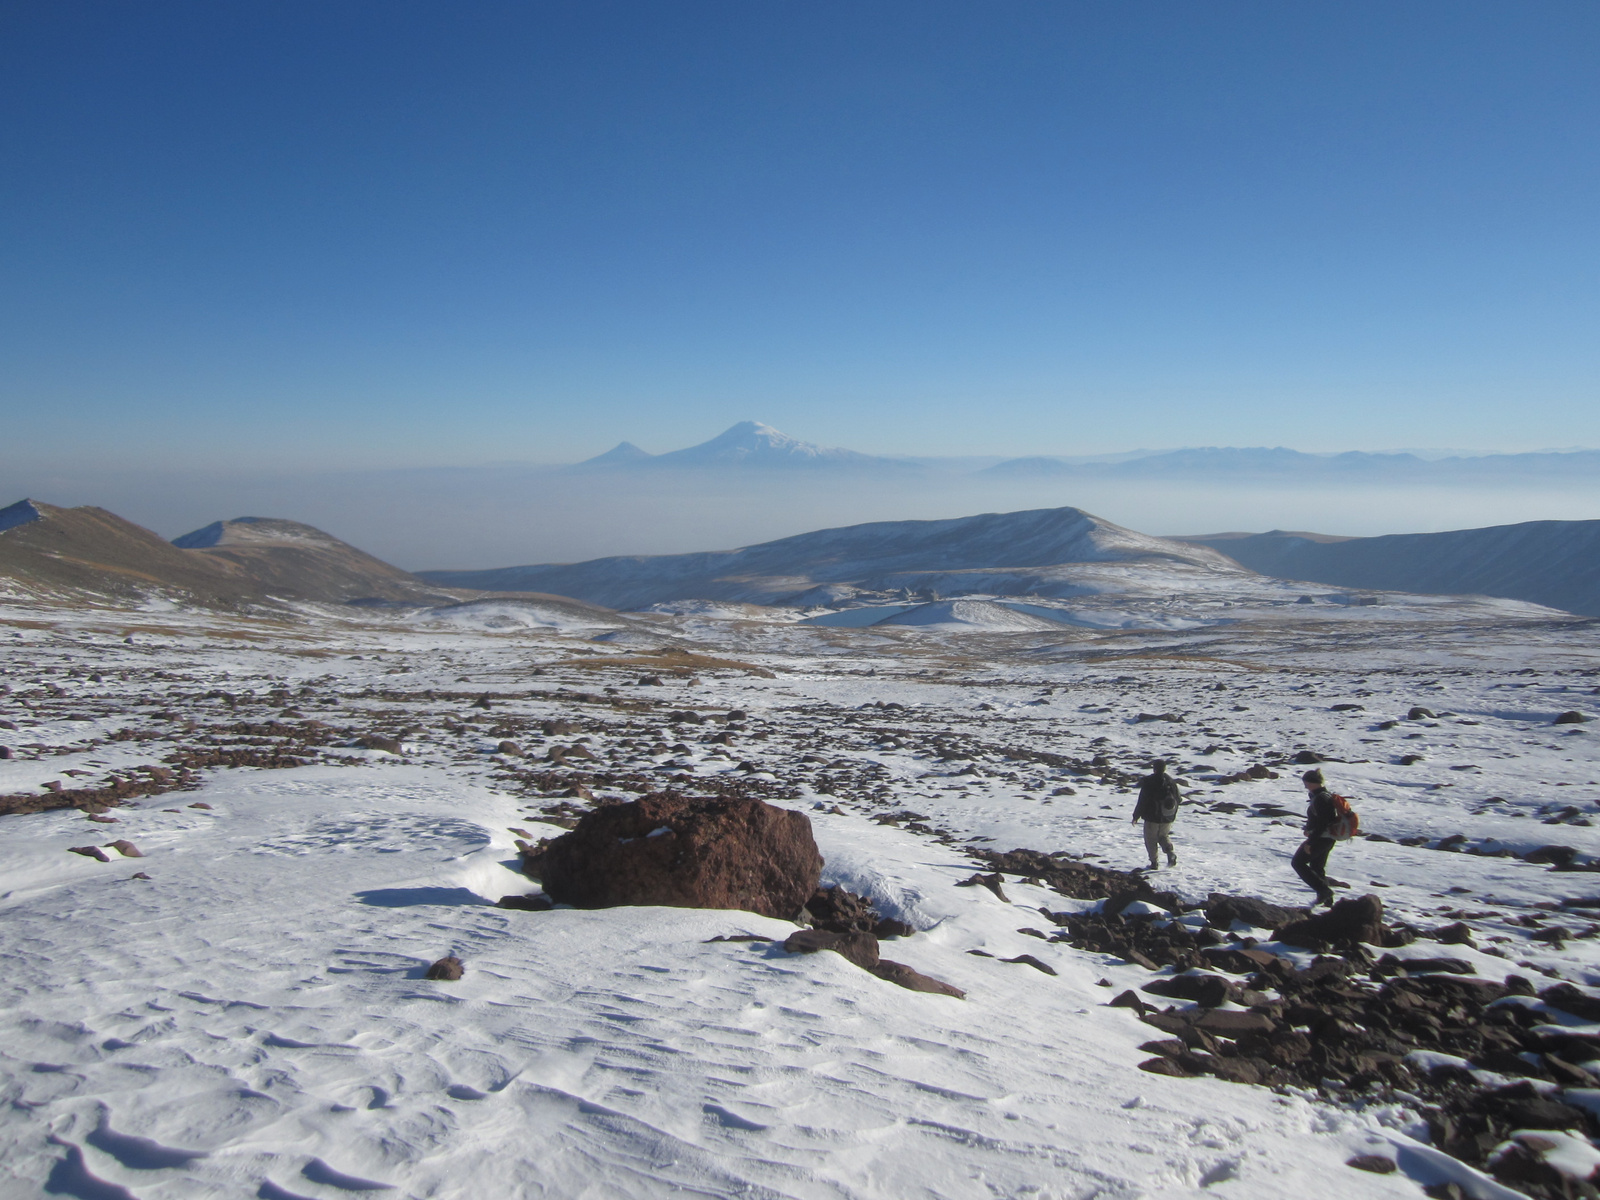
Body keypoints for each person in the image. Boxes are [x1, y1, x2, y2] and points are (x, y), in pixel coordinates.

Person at [1292, 768, 1339, 907]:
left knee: (1298, 863)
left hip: (1321, 838)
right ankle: (1326, 900)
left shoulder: (1321, 798)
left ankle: (1324, 891)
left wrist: (1310, 842)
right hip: (1328, 838)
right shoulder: (1324, 796)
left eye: (1306, 782)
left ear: (1313, 782)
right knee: (1317, 867)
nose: (1305, 785)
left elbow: (1323, 823)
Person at [1131, 759, 1181, 870]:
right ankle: (1170, 852)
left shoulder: (1149, 781)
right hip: (1167, 816)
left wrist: (1136, 816)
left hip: (1152, 817)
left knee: (1150, 840)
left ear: (1154, 768)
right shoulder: (1171, 781)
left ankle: (1154, 863)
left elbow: (1143, 800)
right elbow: (1178, 799)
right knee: (1163, 836)